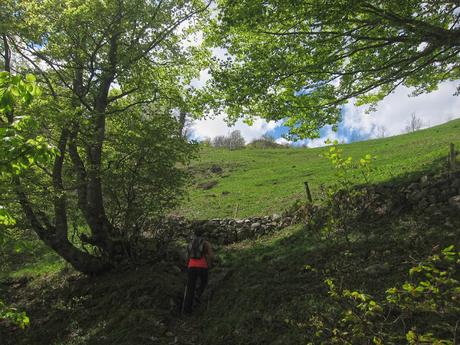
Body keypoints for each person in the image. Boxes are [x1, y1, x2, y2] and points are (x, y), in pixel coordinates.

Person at [183, 225, 213, 314]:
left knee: (190, 288)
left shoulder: (190, 243)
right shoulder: (205, 243)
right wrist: (210, 263)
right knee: (204, 282)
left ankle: (187, 311)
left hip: (191, 266)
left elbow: (187, 256)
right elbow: (211, 256)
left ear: (194, 234)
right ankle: (198, 295)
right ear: (203, 234)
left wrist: (187, 266)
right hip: (203, 266)